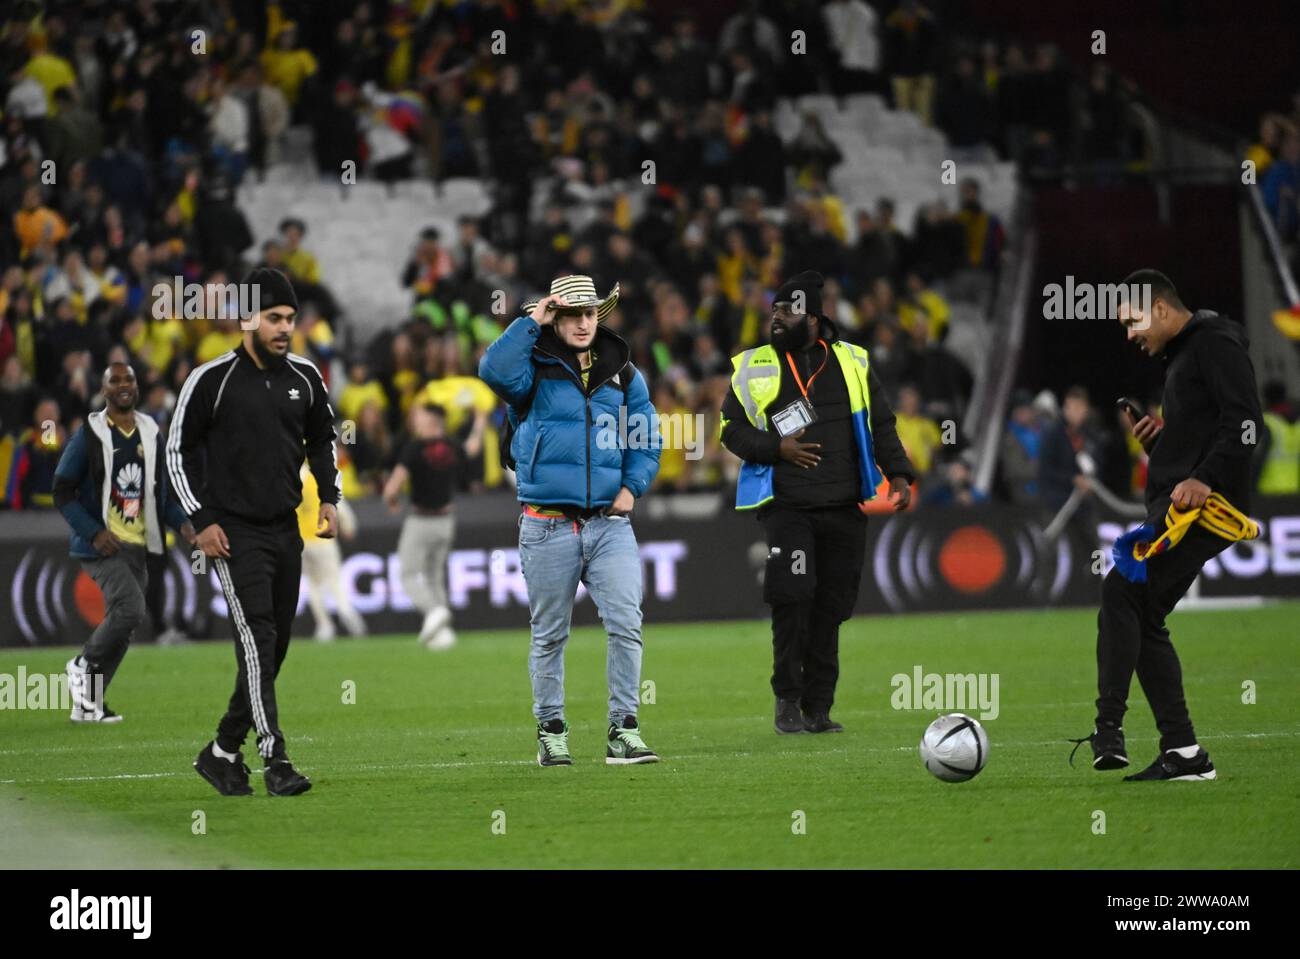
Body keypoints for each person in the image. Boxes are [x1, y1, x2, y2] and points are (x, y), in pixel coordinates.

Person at [1073, 271, 1263, 781]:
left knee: (1122, 593)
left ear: (1158, 307)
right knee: (1142, 614)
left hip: (1205, 509)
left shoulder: (1215, 343)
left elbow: (1247, 424)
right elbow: (1209, 430)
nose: (1130, 335)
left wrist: (1203, 479)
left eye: (1132, 321)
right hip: (1184, 505)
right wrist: (1164, 444)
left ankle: (1108, 729)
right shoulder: (1184, 354)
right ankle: (1182, 754)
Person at [719, 271, 914, 734]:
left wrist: (901, 473)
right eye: (774, 311)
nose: (777, 319)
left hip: (845, 504)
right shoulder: (754, 365)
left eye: (788, 311)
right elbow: (730, 430)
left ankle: (818, 707)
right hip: (788, 506)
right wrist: (776, 448)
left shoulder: (853, 361)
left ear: (814, 316)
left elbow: (881, 423)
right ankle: (787, 700)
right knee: (792, 598)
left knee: (832, 607)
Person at [478, 275, 662, 767]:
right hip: (546, 524)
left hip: (609, 524)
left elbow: (646, 439)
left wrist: (630, 488)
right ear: (555, 318)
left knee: (626, 624)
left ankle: (624, 730)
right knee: (550, 634)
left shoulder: (623, 371)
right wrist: (530, 320)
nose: (583, 323)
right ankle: (551, 732)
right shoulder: (529, 367)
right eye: (571, 314)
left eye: (589, 313)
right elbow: (491, 370)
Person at [169, 268, 340, 797]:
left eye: (290, 318)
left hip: (285, 528)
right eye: (274, 318)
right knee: (258, 637)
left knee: (274, 646)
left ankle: (221, 751)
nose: (285, 327)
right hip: (233, 532)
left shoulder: (306, 377)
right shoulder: (211, 379)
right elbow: (177, 452)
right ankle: (275, 758)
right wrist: (201, 521)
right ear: (248, 318)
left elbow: (323, 440)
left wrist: (330, 498)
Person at [53, 362, 195, 722]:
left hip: (139, 544)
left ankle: (89, 705)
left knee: (126, 624)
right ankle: (82, 663)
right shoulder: (90, 433)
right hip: (102, 544)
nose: (123, 385)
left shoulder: (150, 431)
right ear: (103, 390)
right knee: (131, 609)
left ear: (136, 385)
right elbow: (62, 490)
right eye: (114, 380)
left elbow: (162, 497)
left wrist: (184, 526)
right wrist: (93, 532)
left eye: (129, 378)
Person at [383, 402, 486, 649]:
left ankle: (433, 611)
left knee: (407, 574)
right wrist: (480, 422)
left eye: (418, 416)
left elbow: (393, 486)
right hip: (446, 521)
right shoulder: (452, 445)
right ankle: (443, 633)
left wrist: (392, 500)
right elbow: (472, 448)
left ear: (430, 421)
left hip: (421, 520)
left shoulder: (414, 448)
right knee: (434, 576)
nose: (415, 421)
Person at [299, 456, 366, 642]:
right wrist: (349, 526)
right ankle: (347, 614)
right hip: (322, 539)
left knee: (312, 584)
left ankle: (324, 626)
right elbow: (338, 503)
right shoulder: (320, 477)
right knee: (334, 581)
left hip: (301, 541)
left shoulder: (288, 479)